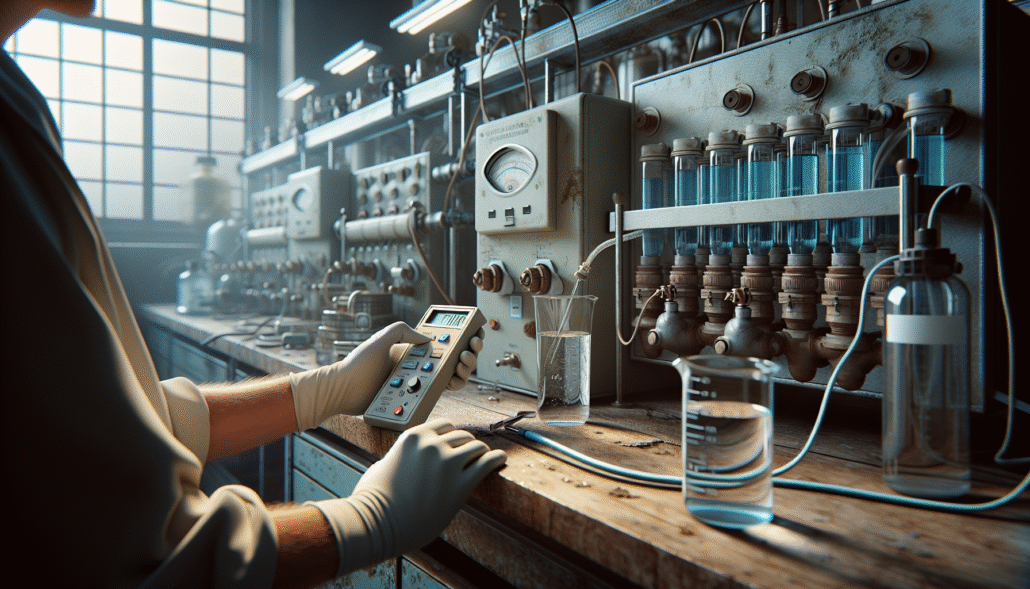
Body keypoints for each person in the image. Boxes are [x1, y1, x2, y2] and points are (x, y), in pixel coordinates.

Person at [0, 2, 507, 588]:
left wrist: (324, 389)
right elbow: (131, 550)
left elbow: (111, 424)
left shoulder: (16, 97)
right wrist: (366, 520)